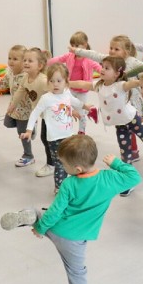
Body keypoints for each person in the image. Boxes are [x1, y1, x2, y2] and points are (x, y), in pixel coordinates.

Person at [0, 134, 140, 284]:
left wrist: (40, 229)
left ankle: (29, 216)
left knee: (41, 212)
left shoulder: (69, 184)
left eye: (64, 165)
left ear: (78, 169)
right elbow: (135, 177)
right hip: (75, 240)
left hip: (56, 226)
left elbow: (56, 211)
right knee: (77, 273)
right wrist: (116, 162)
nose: (63, 168)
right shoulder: (110, 179)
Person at [69, 56, 143, 182]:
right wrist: (68, 83)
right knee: (125, 153)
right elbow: (83, 84)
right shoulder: (99, 86)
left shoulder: (121, 85)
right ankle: (128, 179)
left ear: (117, 73)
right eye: (102, 66)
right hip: (120, 125)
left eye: (107, 68)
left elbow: (133, 83)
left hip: (133, 120)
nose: (102, 69)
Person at [72, 34, 143, 163]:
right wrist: (77, 51)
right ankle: (133, 152)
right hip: (118, 102)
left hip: (132, 100)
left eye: (116, 49)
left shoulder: (132, 62)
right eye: (111, 48)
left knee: (138, 126)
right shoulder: (109, 60)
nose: (112, 51)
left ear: (126, 51)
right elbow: (94, 54)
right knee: (126, 126)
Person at [22, 63, 94, 192]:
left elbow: (72, 102)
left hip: (68, 136)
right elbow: (35, 113)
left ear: (66, 82)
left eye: (59, 81)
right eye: (52, 81)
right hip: (54, 138)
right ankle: (59, 187)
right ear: (47, 82)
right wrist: (29, 130)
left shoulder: (66, 93)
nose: (55, 84)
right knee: (60, 164)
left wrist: (83, 107)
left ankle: (73, 184)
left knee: (72, 161)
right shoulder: (46, 98)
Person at [48, 31, 102, 134]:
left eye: (77, 45)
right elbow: (58, 59)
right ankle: (89, 111)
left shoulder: (89, 59)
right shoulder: (69, 56)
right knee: (66, 107)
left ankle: (82, 130)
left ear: (85, 45)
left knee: (81, 111)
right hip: (70, 87)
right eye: (72, 45)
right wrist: (46, 62)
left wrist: (107, 75)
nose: (74, 48)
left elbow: (99, 68)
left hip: (83, 90)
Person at [6, 47, 48, 169]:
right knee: (8, 123)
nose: (26, 63)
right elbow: (20, 91)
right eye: (25, 60)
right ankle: (32, 126)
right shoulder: (26, 77)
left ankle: (45, 161)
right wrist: (13, 105)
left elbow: (58, 91)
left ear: (39, 66)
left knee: (46, 140)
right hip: (36, 111)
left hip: (49, 113)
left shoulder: (43, 80)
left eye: (30, 61)